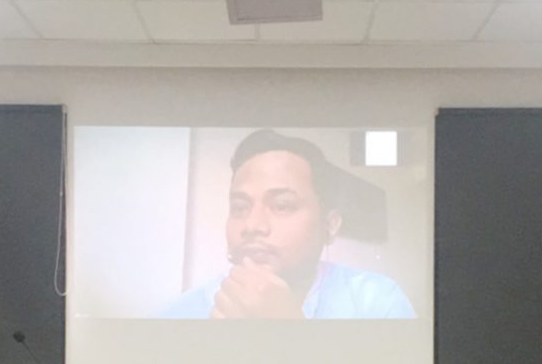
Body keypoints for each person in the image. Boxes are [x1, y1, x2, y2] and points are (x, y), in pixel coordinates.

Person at [162, 129, 415, 319]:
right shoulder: (181, 314)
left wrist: (290, 332)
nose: (252, 225)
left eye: (282, 206)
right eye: (239, 207)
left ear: (330, 225)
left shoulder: (378, 302)